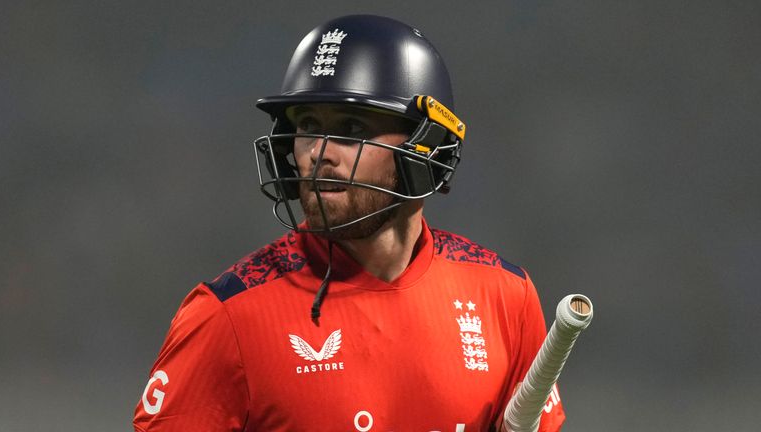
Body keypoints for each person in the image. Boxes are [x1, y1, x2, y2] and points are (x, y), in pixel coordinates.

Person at [133, 14, 565, 432]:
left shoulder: (504, 296)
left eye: (350, 128)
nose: (319, 152)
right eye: (307, 126)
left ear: (426, 147)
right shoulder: (227, 316)